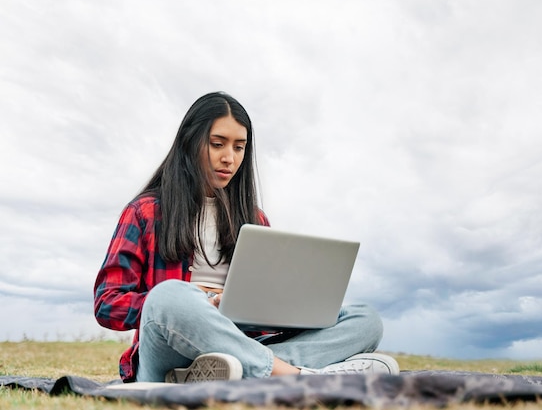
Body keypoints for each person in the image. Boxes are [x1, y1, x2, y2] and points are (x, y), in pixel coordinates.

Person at [93, 91, 399, 383]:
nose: (229, 157)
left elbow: (267, 307)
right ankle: (294, 375)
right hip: (170, 352)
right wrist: (199, 300)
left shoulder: (254, 219)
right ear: (190, 142)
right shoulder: (145, 212)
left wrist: (272, 308)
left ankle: (234, 372)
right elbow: (107, 304)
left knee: (366, 319)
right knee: (170, 296)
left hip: (241, 343)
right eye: (217, 144)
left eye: (239, 147)